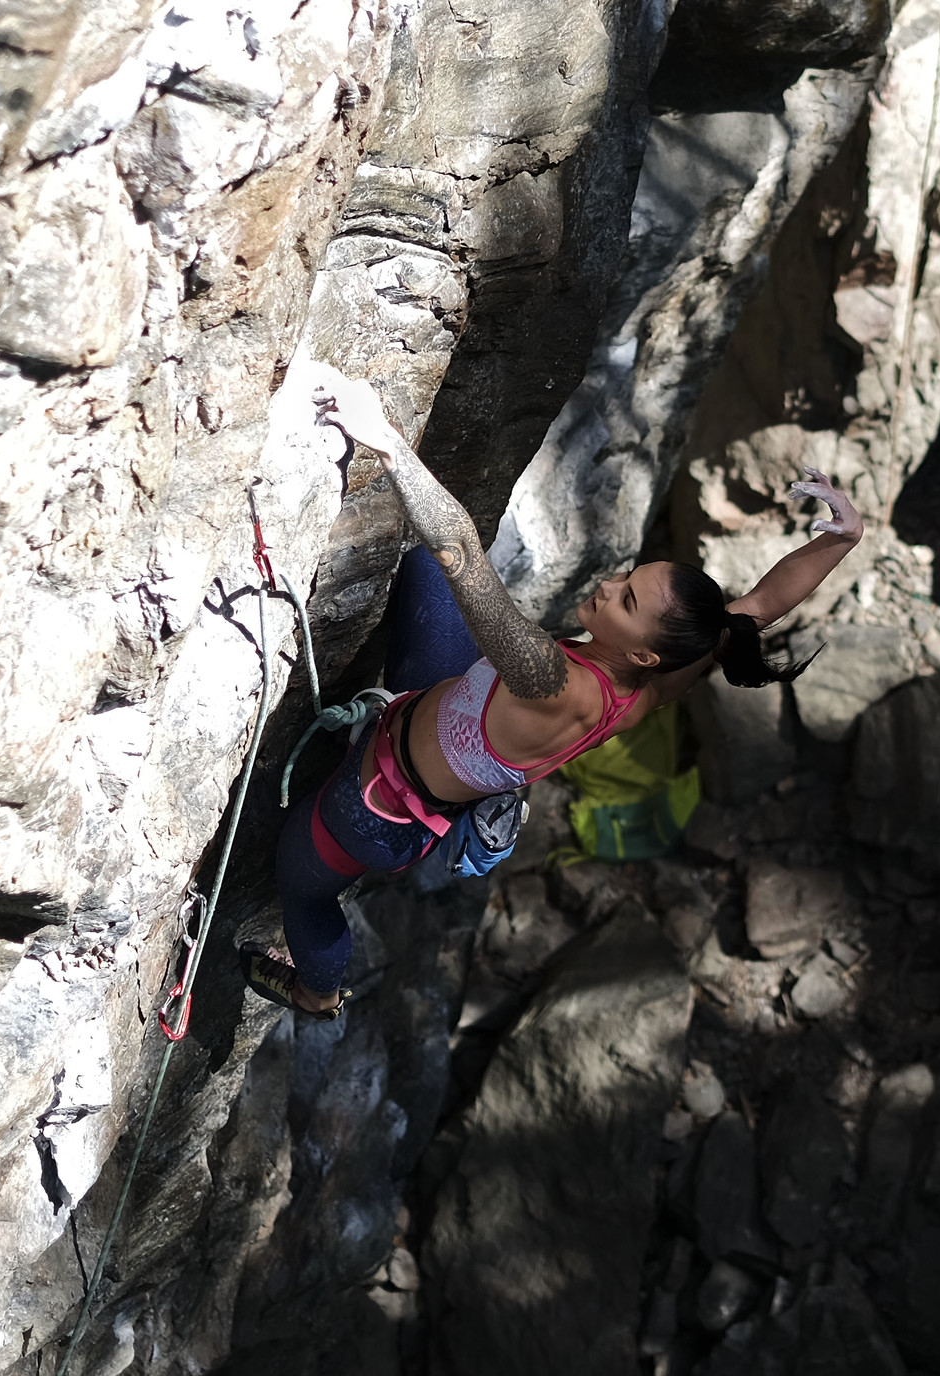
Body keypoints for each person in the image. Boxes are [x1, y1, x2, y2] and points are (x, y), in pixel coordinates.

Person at [244, 367, 863, 1018]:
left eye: (627, 601)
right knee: (422, 568)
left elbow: (462, 552)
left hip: (380, 807)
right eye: (629, 577)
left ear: (644, 652)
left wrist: (385, 438)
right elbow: (756, 608)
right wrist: (841, 539)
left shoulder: (550, 679)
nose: (609, 586)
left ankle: (317, 993)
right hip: (432, 716)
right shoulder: (646, 689)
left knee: (302, 887)